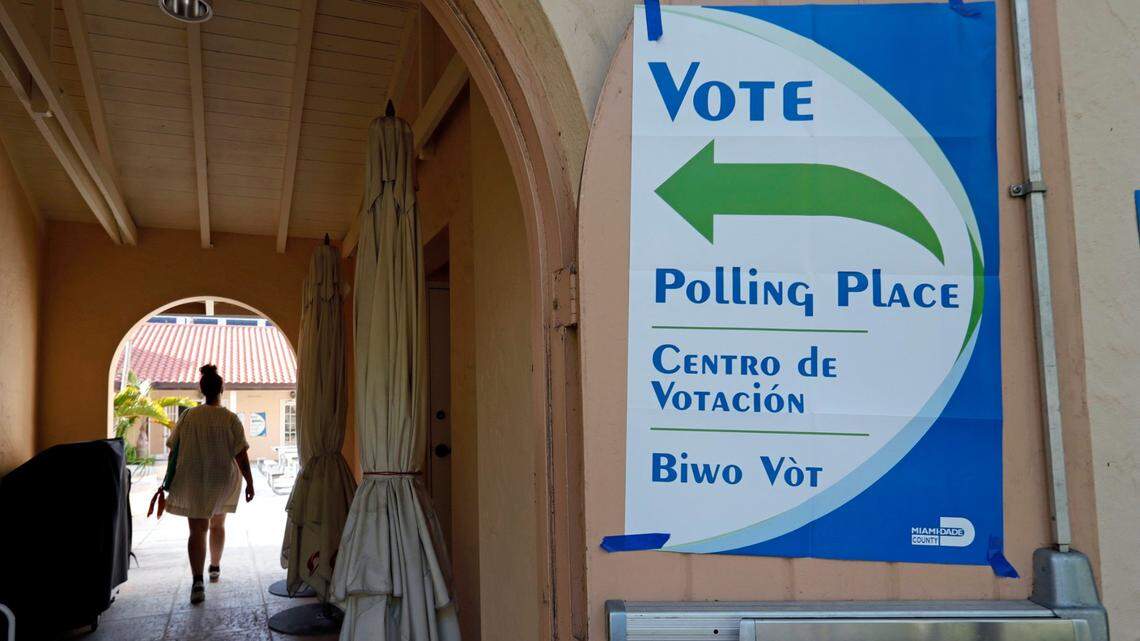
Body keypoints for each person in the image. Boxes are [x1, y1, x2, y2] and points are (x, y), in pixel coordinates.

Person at [164, 364, 255, 604]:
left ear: (202, 390)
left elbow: (172, 448)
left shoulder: (188, 416)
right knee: (217, 524)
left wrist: (168, 479)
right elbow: (241, 454)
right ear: (221, 389)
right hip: (221, 479)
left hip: (193, 478)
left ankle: (197, 582)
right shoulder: (230, 418)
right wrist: (249, 481)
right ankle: (214, 567)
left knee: (197, 530)